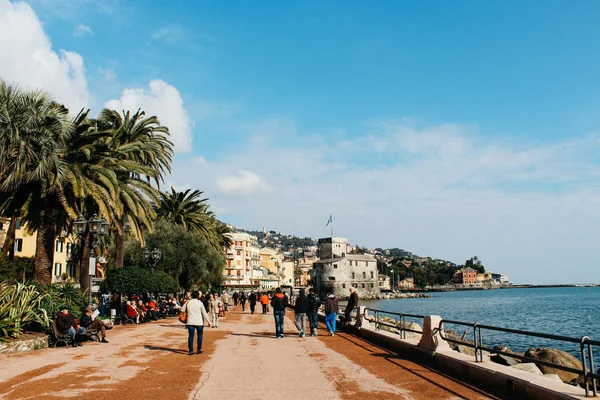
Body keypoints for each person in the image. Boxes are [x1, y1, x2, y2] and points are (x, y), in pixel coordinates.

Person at [181, 290, 212, 355]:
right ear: (198, 296)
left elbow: (182, 310)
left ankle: (191, 350)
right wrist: (209, 321)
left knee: (191, 336)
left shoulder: (188, 302)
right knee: (200, 335)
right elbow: (204, 313)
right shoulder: (200, 303)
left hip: (190, 322)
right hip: (199, 322)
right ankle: (199, 349)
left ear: (192, 296)